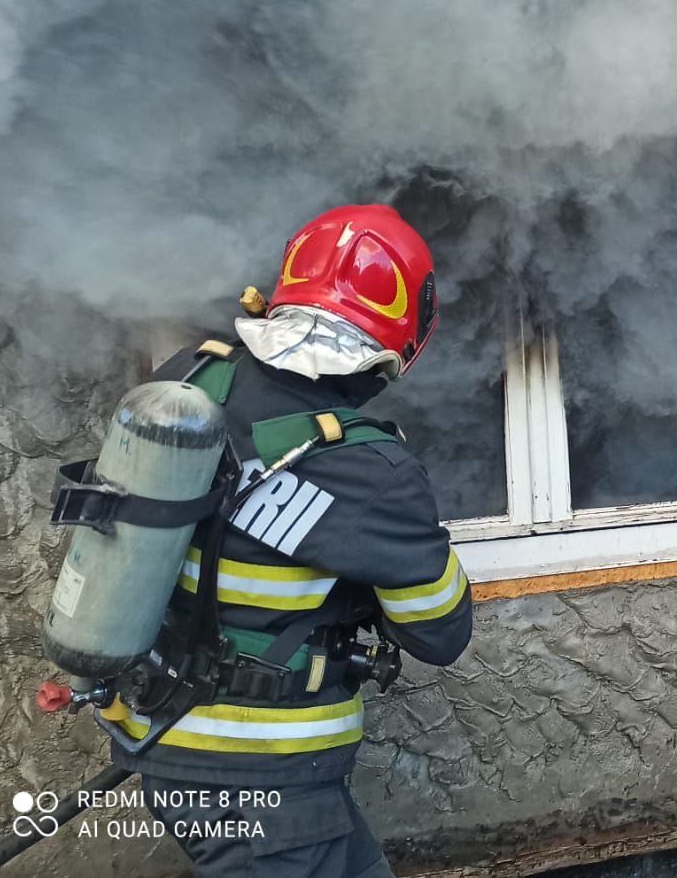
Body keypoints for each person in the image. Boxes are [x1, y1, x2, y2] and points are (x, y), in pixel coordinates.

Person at [107, 205, 472, 878]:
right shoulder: (370, 470)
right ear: (402, 334)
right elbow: (440, 633)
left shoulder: (192, 376)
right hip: (264, 776)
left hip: (168, 728)